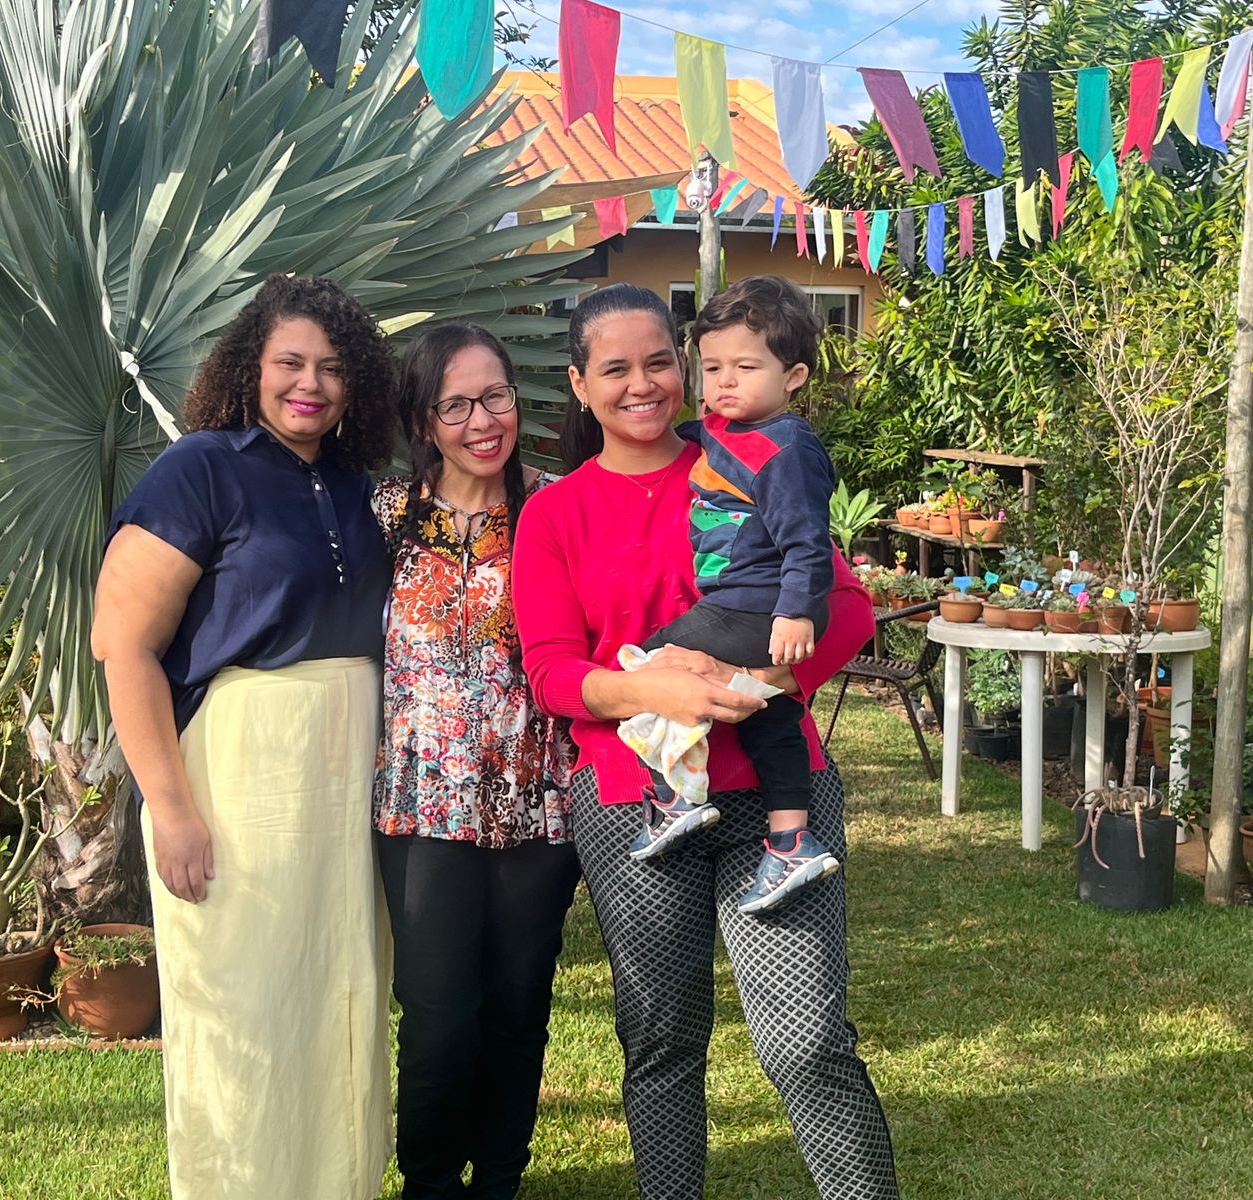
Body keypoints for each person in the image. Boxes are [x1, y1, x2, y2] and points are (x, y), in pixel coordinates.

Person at [511, 284, 899, 1199]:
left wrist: (749, 681)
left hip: (775, 796)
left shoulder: (748, 457)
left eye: (660, 362)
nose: (643, 384)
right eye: (615, 368)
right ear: (580, 384)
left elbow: (845, 610)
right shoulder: (555, 514)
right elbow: (552, 673)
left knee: (807, 1042)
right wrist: (650, 688)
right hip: (634, 803)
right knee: (662, 1042)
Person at [91, 274, 395, 1200]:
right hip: (237, 779)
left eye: (332, 368)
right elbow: (123, 645)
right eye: (290, 362)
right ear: (249, 367)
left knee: (340, 993)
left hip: (345, 784)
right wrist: (171, 810)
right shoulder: (200, 469)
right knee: (246, 1006)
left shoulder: (357, 486)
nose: (311, 384)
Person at [372, 323, 580, 1199]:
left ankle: (498, 1179)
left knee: (517, 1009)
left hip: (538, 801)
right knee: (436, 1018)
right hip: (420, 806)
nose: (481, 421)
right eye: (454, 405)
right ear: (424, 419)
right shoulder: (385, 516)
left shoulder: (554, 507)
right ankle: (428, 1183)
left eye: (495, 396)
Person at [622, 274, 841, 916]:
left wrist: (795, 612)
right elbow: (701, 434)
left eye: (745, 368)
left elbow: (807, 540)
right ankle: (790, 841)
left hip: (757, 606)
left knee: (654, 660)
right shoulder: (726, 426)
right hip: (753, 606)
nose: (724, 382)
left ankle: (676, 797)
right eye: (712, 367)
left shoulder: (786, 449)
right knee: (771, 717)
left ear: (794, 376)